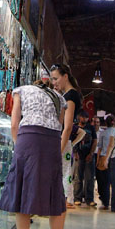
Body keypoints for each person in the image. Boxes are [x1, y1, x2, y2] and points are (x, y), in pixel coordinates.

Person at [0, 79, 67, 229]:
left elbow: (14, 123)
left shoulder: (21, 90)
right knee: (55, 192)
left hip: (29, 137)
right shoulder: (60, 98)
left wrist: (18, 145)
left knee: (22, 190)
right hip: (52, 141)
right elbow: (59, 126)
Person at [50, 64, 83, 208]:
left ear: (65, 77)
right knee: (61, 174)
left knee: (62, 175)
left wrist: (60, 148)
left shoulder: (71, 95)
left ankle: (60, 210)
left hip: (62, 141)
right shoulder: (66, 95)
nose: (54, 82)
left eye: (56, 78)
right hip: (62, 140)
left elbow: (68, 126)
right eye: (52, 79)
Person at [73, 110, 98, 206]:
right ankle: (77, 198)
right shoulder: (74, 127)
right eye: (83, 117)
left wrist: (91, 153)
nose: (85, 119)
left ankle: (89, 199)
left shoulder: (91, 128)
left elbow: (95, 141)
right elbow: (72, 140)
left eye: (86, 117)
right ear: (79, 118)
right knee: (78, 177)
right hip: (78, 155)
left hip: (89, 155)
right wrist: (75, 152)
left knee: (89, 178)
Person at [95, 114, 115, 209]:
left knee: (104, 180)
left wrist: (98, 159)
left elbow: (99, 148)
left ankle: (105, 201)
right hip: (114, 157)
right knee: (113, 181)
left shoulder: (103, 133)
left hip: (103, 157)